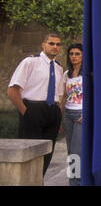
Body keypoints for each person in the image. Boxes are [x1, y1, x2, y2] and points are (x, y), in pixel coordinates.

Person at [7, 33, 64, 176]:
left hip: (53, 111)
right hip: (33, 109)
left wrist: (59, 115)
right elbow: (12, 90)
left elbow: (60, 95)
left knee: (47, 152)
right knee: (29, 152)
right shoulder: (30, 62)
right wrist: (25, 112)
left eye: (58, 44)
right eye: (51, 43)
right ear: (43, 45)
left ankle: (39, 180)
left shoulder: (58, 68)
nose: (55, 47)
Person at [62, 43, 83, 186]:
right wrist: (61, 115)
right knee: (71, 152)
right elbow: (64, 96)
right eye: (71, 54)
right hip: (68, 114)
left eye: (77, 53)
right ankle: (73, 182)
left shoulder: (88, 73)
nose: (74, 57)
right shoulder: (66, 74)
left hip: (81, 114)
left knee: (77, 152)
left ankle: (78, 182)